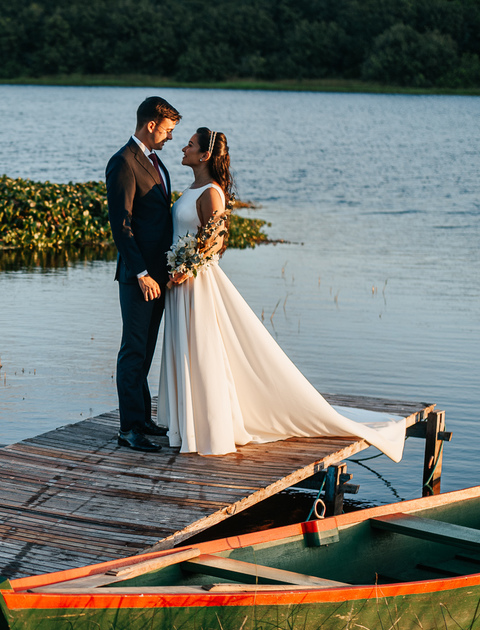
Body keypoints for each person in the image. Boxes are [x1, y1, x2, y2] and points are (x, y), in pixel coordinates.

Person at [156, 128, 407, 461]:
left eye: (190, 144)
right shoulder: (193, 187)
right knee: (189, 349)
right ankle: (186, 426)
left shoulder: (212, 192)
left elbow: (216, 241)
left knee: (202, 351)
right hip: (183, 284)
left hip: (196, 284)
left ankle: (209, 428)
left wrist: (188, 267)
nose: (183, 147)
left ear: (204, 155)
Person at [107, 97, 179, 452]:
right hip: (138, 277)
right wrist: (141, 272)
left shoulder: (156, 162)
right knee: (133, 350)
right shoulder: (123, 162)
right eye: (166, 130)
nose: (169, 138)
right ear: (151, 125)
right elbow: (122, 227)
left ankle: (143, 418)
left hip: (159, 276)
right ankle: (128, 428)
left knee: (147, 349)